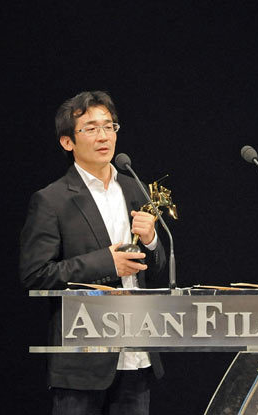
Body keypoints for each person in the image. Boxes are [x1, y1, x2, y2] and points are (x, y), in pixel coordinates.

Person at [20, 91, 166, 415]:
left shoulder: (134, 188)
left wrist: (153, 240)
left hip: (137, 352)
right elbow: (35, 275)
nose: (104, 136)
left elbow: (157, 271)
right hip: (81, 361)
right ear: (67, 142)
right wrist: (106, 262)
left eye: (109, 126)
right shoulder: (52, 200)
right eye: (90, 128)